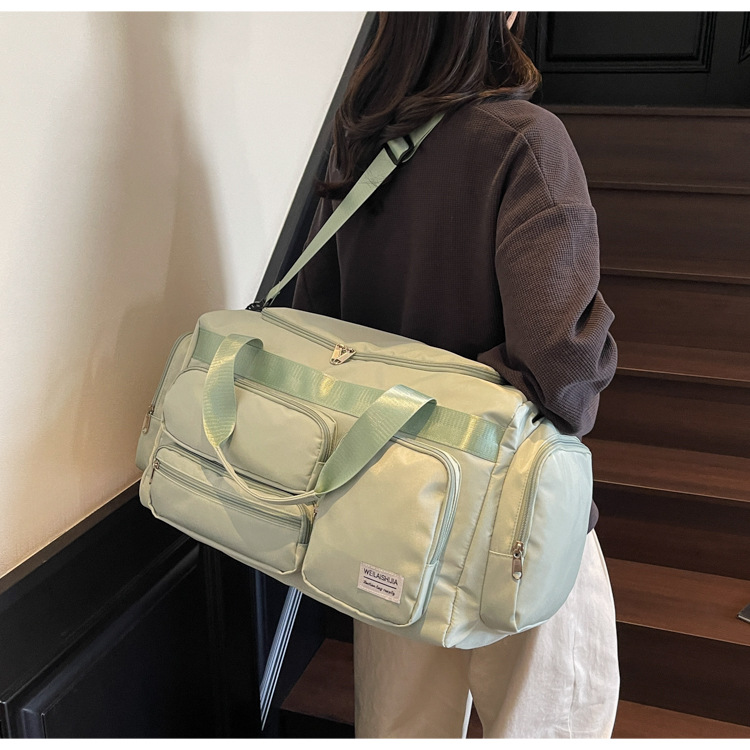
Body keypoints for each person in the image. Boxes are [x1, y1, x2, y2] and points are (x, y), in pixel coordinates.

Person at [292, 11, 620, 739]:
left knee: (401, 726)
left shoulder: (360, 148)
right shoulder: (526, 141)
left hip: (388, 503)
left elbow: (314, 326)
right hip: (513, 516)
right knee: (552, 724)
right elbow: (561, 366)